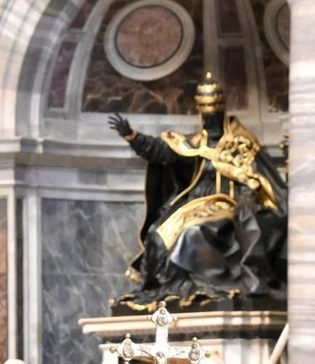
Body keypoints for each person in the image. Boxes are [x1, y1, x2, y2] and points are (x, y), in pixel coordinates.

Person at [109, 73, 286, 309]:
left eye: (214, 112)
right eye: (206, 112)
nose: (210, 118)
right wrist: (133, 137)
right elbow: (161, 152)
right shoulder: (194, 144)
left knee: (194, 232)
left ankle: (195, 285)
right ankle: (166, 288)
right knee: (156, 233)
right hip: (195, 201)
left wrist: (248, 198)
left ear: (221, 110)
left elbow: (256, 178)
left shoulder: (240, 143)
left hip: (227, 201)